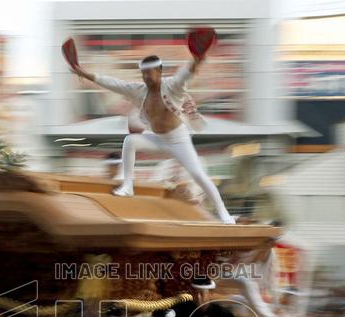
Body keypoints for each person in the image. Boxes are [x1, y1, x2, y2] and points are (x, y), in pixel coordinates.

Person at [70, 51, 234, 224]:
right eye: (143, 74)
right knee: (130, 141)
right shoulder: (139, 91)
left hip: (179, 141)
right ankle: (127, 186)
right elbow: (113, 83)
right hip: (159, 140)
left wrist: (196, 60)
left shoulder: (172, 86)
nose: (146, 77)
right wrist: (84, 73)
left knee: (198, 175)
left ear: (159, 71)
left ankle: (224, 213)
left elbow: (185, 74)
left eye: (149, 73)